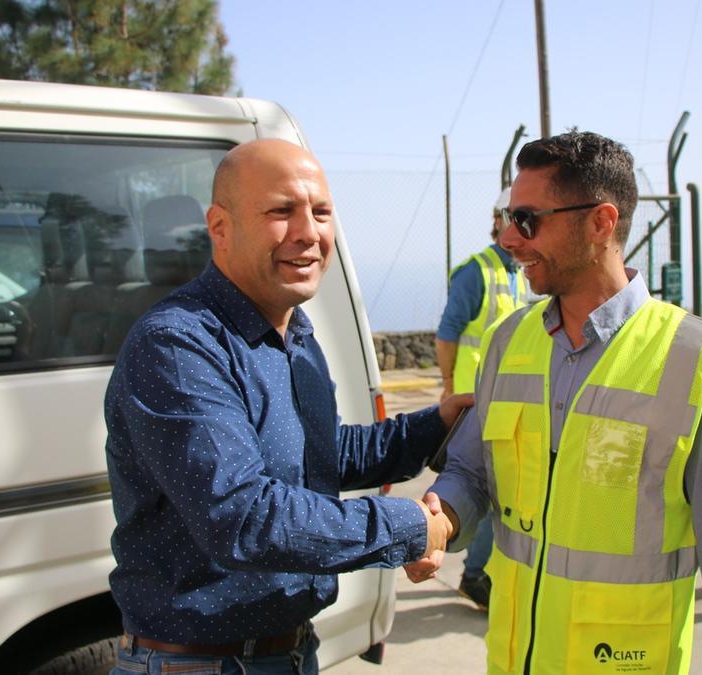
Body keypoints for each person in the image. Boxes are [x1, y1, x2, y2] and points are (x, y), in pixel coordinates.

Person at [409, 130, 702, 674]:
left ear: (601, 223)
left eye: (528, 220)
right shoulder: (508, 343)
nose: (510, 239)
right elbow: (472, 470)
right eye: (509, 218)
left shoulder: (699, 362)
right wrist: (439, 520)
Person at [104, 138, 468, 675]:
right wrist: (411, 525)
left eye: (321, 212)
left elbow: (317, 456)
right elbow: (242, 515)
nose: (308, 232)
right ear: (220, 227)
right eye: (281, 211)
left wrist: (437, 425)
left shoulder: (293, 332)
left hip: (291, 654)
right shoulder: (178, 345)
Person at [433, 186, 529, 610]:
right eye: (515, 218)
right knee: (488, 496)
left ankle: (481, 572)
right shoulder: (477, 272)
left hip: (507, 403)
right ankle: (475, 576)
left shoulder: (520, 273)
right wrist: (450, 385)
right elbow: (448, 333)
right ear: (499, 221)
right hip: (476, 405)